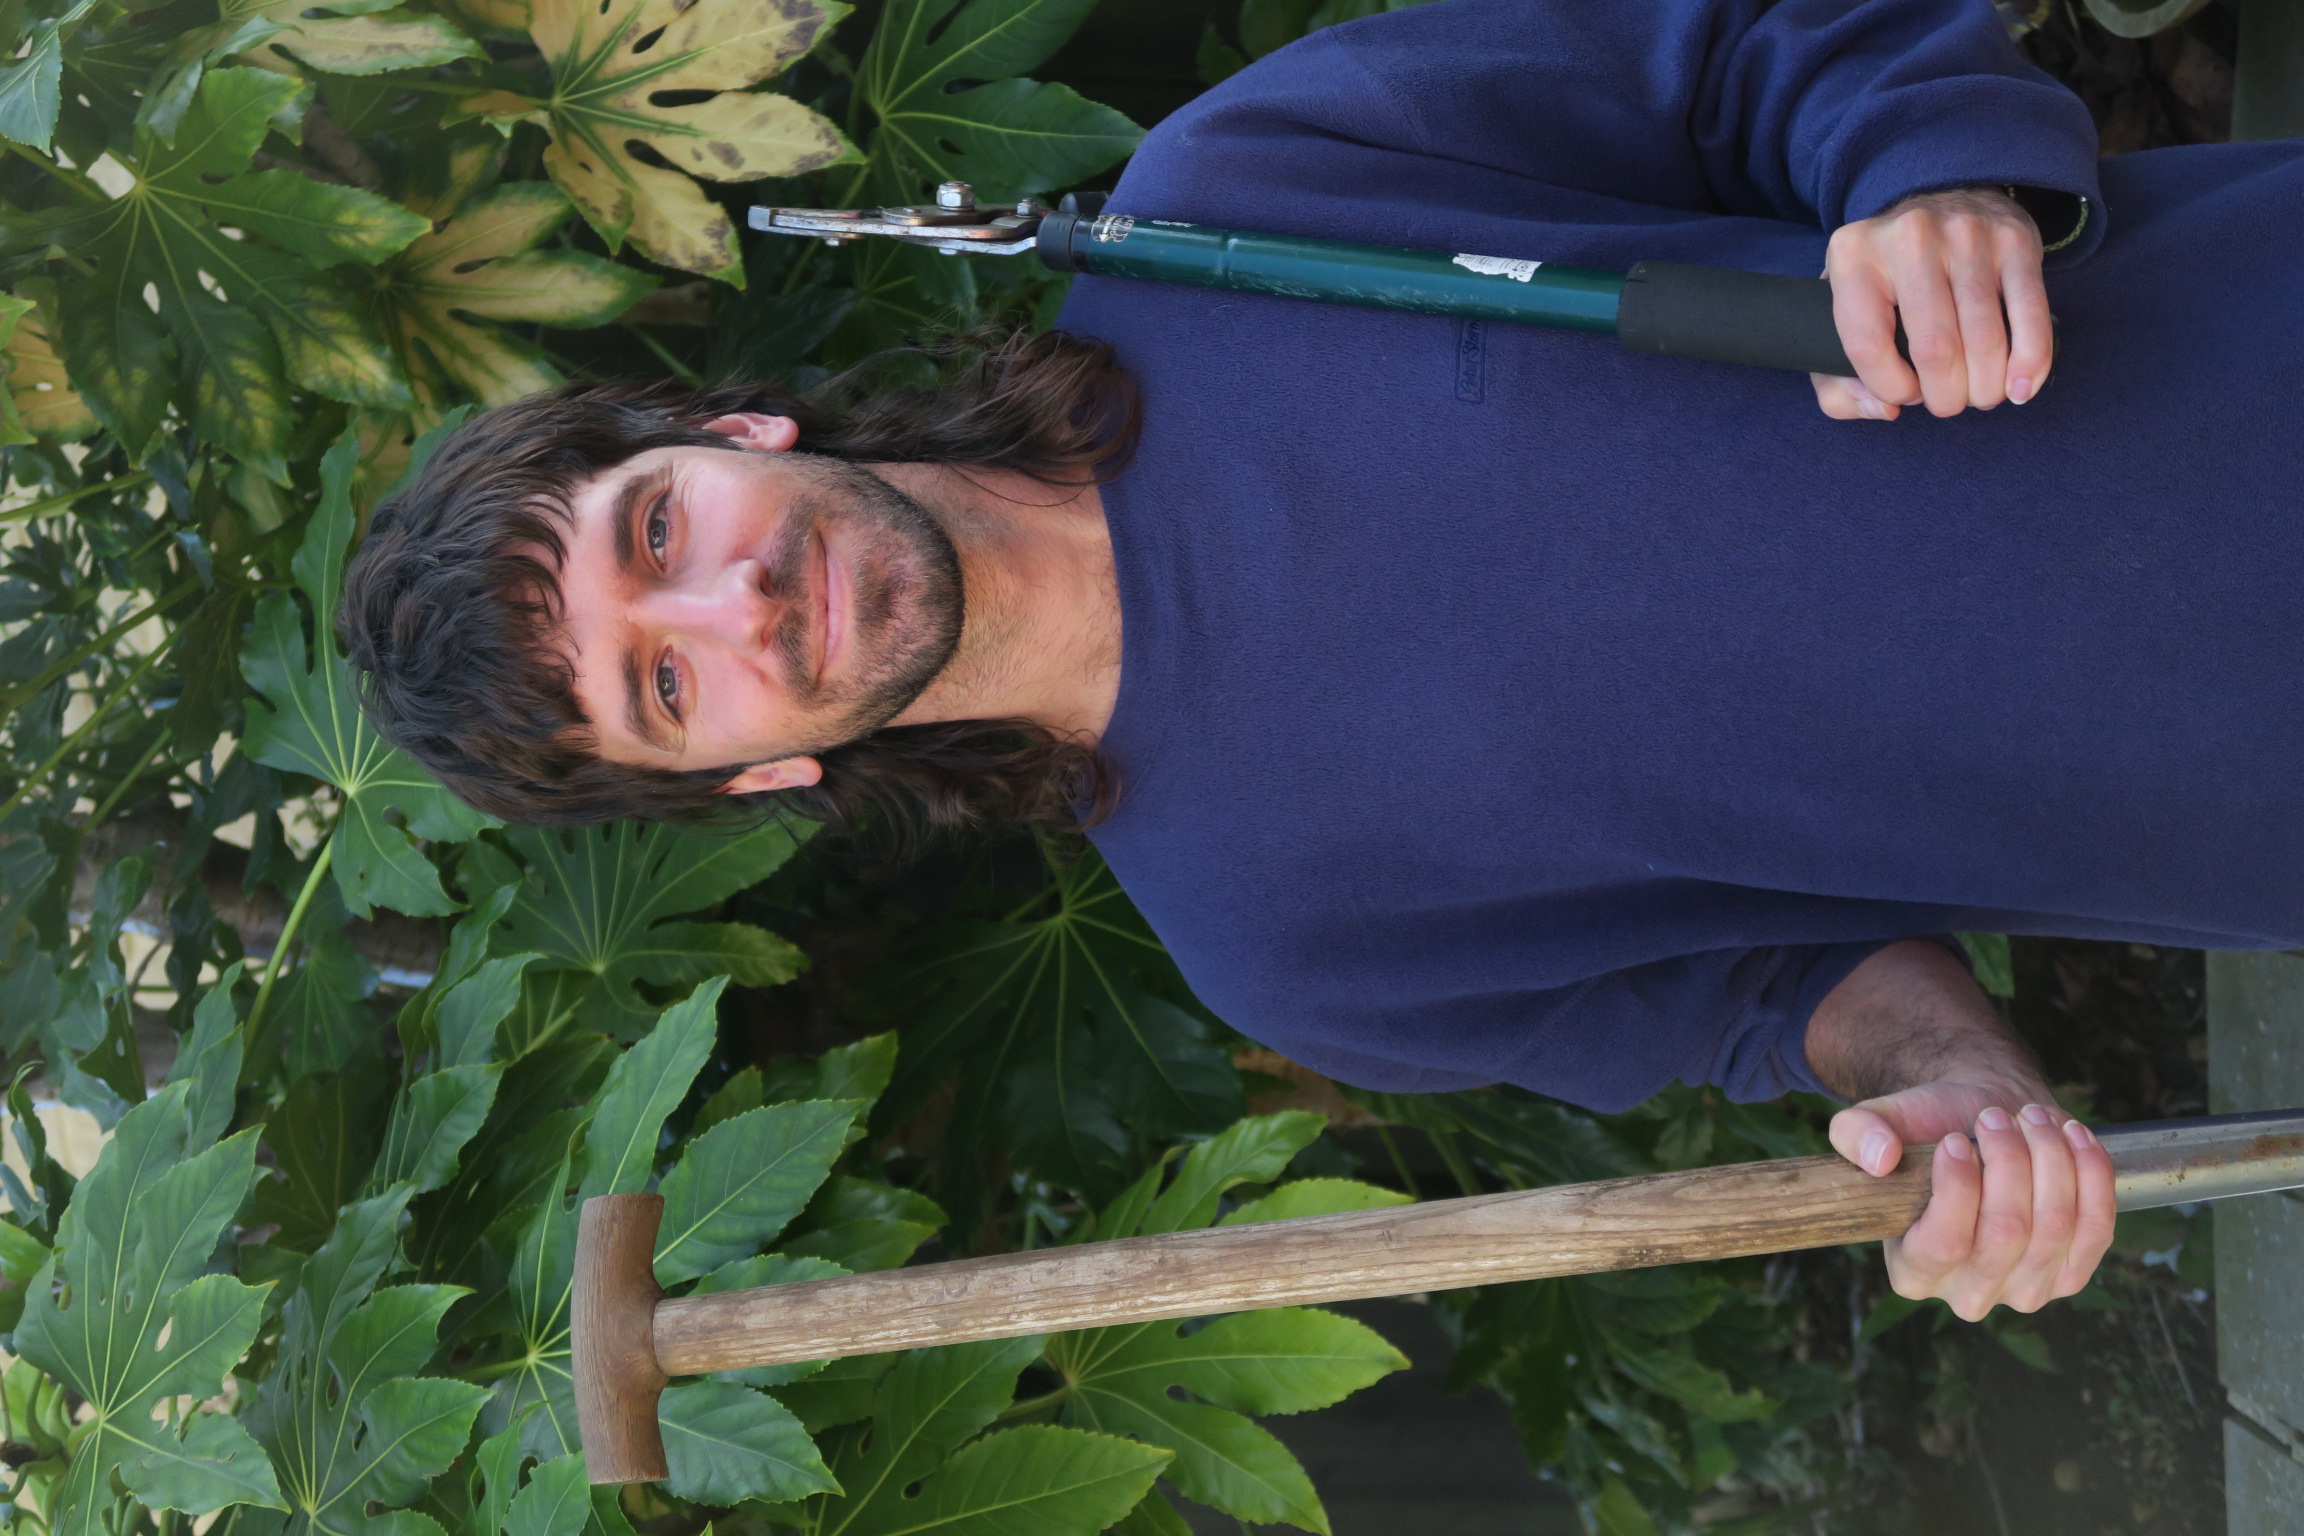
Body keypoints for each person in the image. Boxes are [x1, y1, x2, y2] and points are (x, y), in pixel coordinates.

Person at [339, 0, 2304, 1324]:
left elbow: (1732, 41)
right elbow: (1773, 990)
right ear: (757, 777)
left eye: (656, 536)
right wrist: (1958, 1091)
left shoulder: (1244, 203)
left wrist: (1929, 178)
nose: (736, 606)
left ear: (729, 434)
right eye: (668, 685)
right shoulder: (1287, 945)